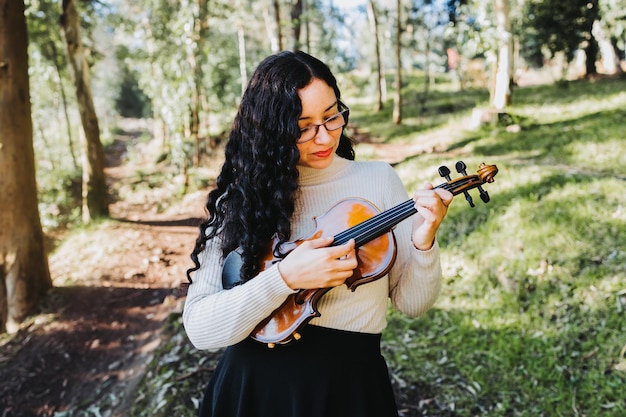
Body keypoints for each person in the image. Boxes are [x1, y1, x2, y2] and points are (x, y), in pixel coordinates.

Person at [183, 50, 453, 417]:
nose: (324, 137)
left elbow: (412, 303)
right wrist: (285, 277)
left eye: (331, 117)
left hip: (348, 390)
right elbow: (201, 329)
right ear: (272, 130)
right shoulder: (242, 199)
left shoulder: (377, 181)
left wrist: (424, 242)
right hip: (250, 394)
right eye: (303, 126)